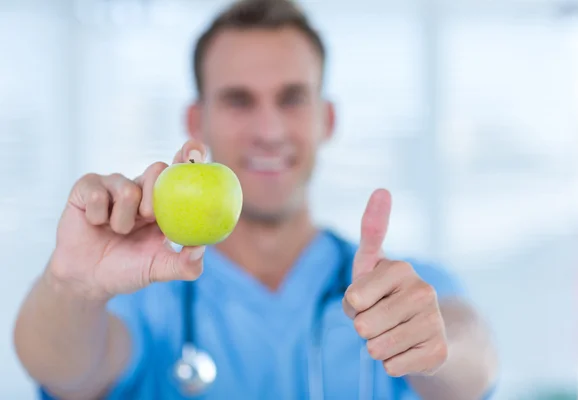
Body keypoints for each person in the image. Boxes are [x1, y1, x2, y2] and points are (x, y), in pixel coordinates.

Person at [13, 0, 499, 399]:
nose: (268, 131)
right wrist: (73, 287)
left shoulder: (394, 288)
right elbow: (65, 372)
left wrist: (436, 342)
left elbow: (474, 362)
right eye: (238, 100)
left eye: (291, 98)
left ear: (326, 119)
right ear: (195, 122)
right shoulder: (145, 294)